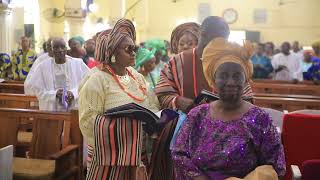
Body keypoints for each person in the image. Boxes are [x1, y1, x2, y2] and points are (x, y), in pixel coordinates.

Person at [171, 37, 286, 180]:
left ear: (245, 81)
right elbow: (179, 153)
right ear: (213, 80)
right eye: (223, 76)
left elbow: (276, 164)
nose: (230, 82)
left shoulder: (259, 118)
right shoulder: (197, 115)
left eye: (237, 76)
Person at [78, 19, 159, 179]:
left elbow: (152, 104)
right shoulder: (97, 79)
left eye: (134, 48)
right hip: (108, 158)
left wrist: (154, 119)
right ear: (112, 52)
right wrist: (129, 128)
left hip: (137, 154)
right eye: (128, 49)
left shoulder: (136, 76)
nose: (134, 53)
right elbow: (88, 122)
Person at [155, 16, 253, 113]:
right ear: (203, 34)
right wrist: (179, 101)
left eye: (225, 40)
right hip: (186, 123)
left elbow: (247, 97)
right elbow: (161, 94)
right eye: (218, 40)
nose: (223, 44)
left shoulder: (231, 61)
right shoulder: (178, 61)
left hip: (227, 123)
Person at [25, 37, 89, 111]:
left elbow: (87, 84)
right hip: (51, 110)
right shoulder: (42, 66)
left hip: (74, 108)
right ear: (51, 50)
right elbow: (37, 90)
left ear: (66, 49)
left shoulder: (78, 64)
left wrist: (73, 93)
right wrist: (55, 94)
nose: (60, 50)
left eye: (62, 47)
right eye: (56, 47)